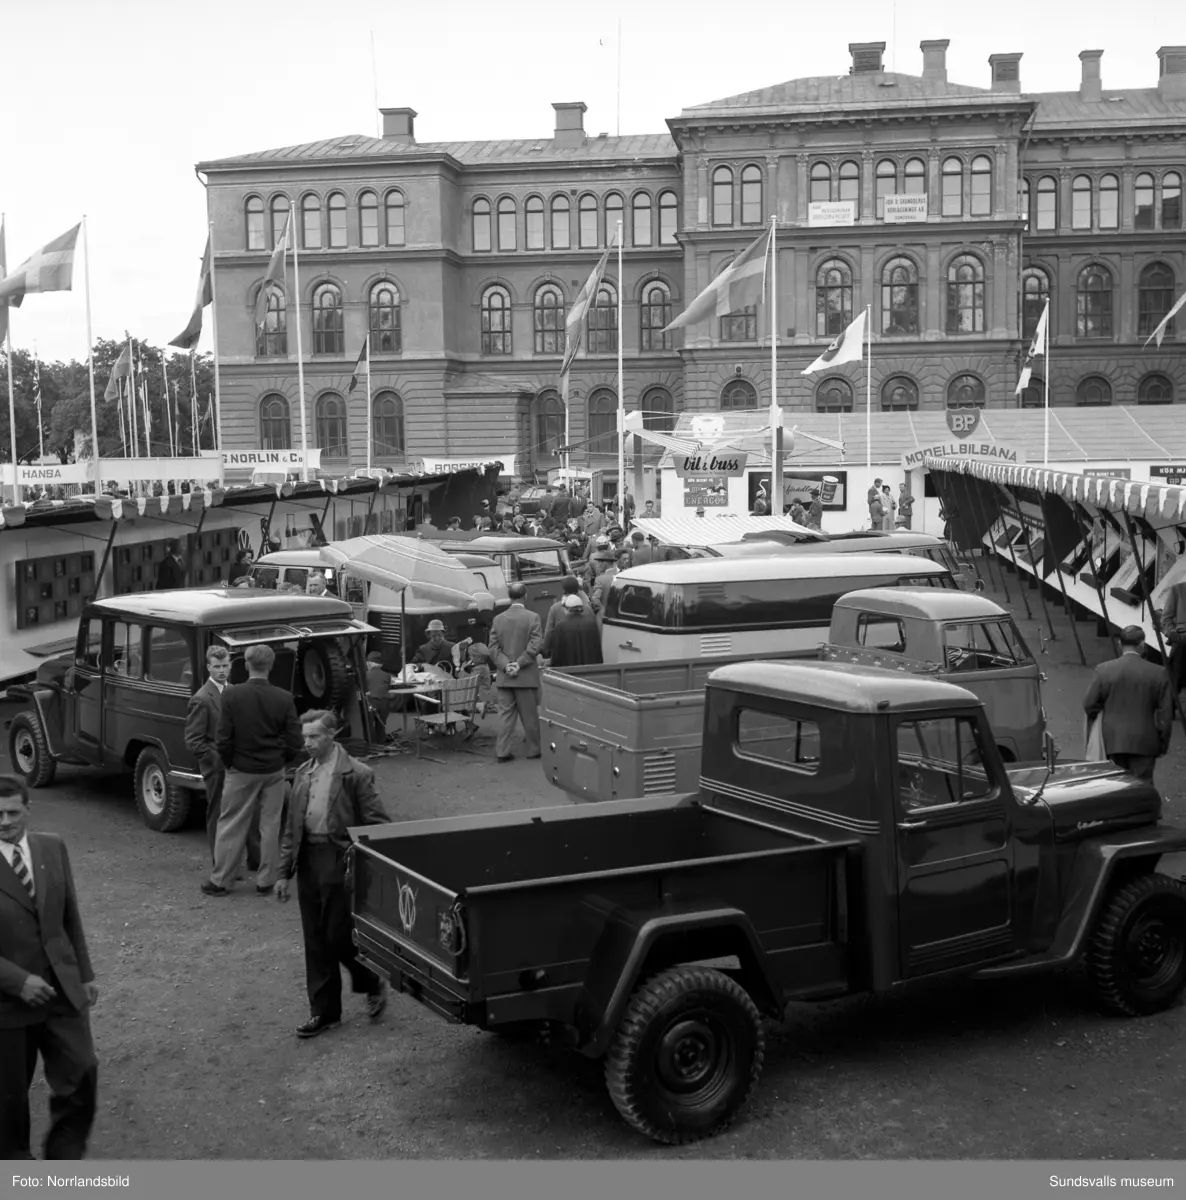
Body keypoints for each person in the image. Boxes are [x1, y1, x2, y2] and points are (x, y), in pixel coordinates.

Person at [0, 774, 99, 1160]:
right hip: (8, 1005)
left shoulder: (51, 848)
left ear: (28, 809)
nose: (4, 821)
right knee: (8, 1100)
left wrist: (85, 975)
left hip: (62, 991)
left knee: (81, 1075)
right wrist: (17, 980)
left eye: (12, 812)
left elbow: (69, 917)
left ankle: (62, 1163)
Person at [275, 711, 390, 1038]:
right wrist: (283, 872)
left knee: (338, 935)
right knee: (314, 939)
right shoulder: (303, 773)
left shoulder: (356, 774)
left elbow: (378, 823)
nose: (307, 743)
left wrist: (374, 865)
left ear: (333, 735)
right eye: (305, 736)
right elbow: (291, 828)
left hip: (341, 860)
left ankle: (370, 980)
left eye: (314, 736)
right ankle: (324, 1013)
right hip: (309, 860)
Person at [203, 643, 303, 897]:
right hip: (273, 769)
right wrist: (281, 759)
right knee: (271, 826)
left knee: (232, 823)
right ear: (271, 666)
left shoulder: (232, 696)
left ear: (246, 665)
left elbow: (223, 737)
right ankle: (266, 880)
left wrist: (230, 763)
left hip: (241, 768)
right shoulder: (283, 697)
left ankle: (221, 880)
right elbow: (294, 740)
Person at [185, 645, 256, 868]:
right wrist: (218, 762)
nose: (222, 671)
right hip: (217, 768)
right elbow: (194, 741)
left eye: (225, 666)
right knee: (218, 814)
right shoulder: (202, 699)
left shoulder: (234, 690)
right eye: (217, 667)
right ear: (208, 667)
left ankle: (248, 860)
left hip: (240, 765)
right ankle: (222, 864)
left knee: (245, 812)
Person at [1083, 626, 1174, 783]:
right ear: (1142, 645)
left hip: (1112, 739)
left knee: (1114, 787)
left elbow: (1089, 704)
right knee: (1141, 788)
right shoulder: (1159, 673)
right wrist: (1162, 743)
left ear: (1120, 643)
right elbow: (1165, 715)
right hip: (1145, 741)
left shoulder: (1104, 670)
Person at [488, 582, 543, 763]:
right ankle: (534, 750)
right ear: (525, 596)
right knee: (530, 718)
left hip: (505, 678)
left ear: (509, 596)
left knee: (505, 717)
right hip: (525, 677)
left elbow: (493, 649)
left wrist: (506, 665)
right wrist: (519, 664)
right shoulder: (533, 618)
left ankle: (502, 752)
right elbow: (535, 646)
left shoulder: (498, 619)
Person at [544, 594, 604, 668]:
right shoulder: (592, 624)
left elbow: (556, 655)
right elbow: (597, 651)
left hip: (568, 674)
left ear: (566, 609)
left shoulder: (560, 627)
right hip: (591, 672)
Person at [543, 575, 595, 642]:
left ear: (563, 591)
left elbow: (548, 634)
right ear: (577, 591)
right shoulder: (587, 609)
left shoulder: (555, 608)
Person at [365, 651, 393, 739]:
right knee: (381, 724)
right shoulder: (387, 675)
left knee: (368, 725)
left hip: (371, 701)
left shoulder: (365, 675)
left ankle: (370, 743)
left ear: (369, 663)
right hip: (385, 702)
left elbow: (359, 691)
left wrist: (359, 701)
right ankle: (381, 744)